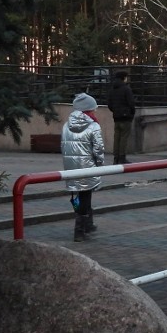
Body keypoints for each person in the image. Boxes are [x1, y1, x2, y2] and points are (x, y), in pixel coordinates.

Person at [61, 92, 105, 243]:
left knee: (78, 195)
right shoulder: (93, 126)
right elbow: (98, 149)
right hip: (88, 166)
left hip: (71, 167)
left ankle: (87, 224)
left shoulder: (66, 125)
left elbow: (63, 146)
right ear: (89, 110)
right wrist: (100, 164)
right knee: (86, 195)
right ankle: (80, 230)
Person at [108, 70, 135, 164]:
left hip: (116, 117)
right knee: (124, 138)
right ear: (124, 78)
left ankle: (116, 158)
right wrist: (131, 113)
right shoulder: (126, 89)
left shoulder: (112, 89)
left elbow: (109, 104)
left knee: (117, 137)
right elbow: (131, 103)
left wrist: (115, 111)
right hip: (126, 116)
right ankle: (122, 157)